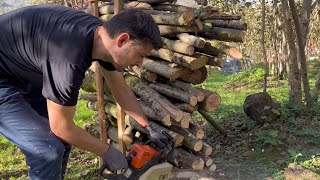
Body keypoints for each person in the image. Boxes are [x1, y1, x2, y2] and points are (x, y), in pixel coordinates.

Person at [0, 4, 169, 180]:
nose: (140, 64)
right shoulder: (68, 58)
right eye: (141, 55)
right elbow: (61, 127)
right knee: (46, 150)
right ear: (122, 40)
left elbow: (121, 90)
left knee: (61, 143)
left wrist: (148, 128)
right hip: (4, 78)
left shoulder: (102, 40)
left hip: (20, 70)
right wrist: (107, 151)